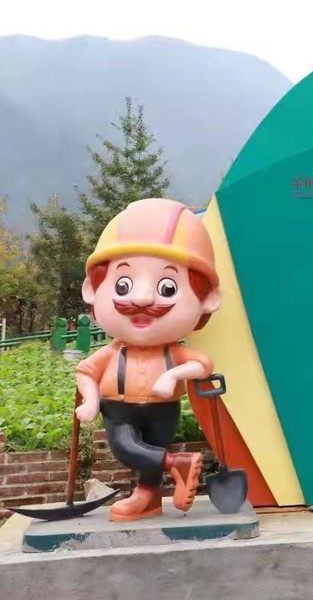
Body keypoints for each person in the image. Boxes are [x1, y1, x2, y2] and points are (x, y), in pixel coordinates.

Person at [75, 198, 222, 522]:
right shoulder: (113, 352)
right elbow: (86, 371)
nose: (141, 298)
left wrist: (172, 375)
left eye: (167, 288)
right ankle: (177, 464)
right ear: (92, 289)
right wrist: (91, 400)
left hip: (163, 408)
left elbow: (202, 365)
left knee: (152, 451)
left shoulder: (172, 352)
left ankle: (148, 498)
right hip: (119, 406)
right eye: (123, 284)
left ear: (208, 299)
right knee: (124, 446)